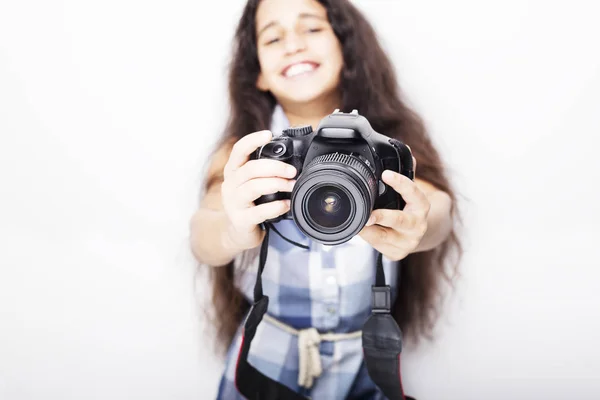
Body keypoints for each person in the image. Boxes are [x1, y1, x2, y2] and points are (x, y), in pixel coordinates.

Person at [189, 0, 462, 398]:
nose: (293, 44)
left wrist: (416, 226)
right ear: (259, 74)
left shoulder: (388, 144)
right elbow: (203, 233)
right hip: (267, 361)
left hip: (366, 359)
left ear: (346, 47)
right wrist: (233, 229)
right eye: (273, 37)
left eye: (313, 29)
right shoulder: (249, 153)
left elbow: (438, 210)